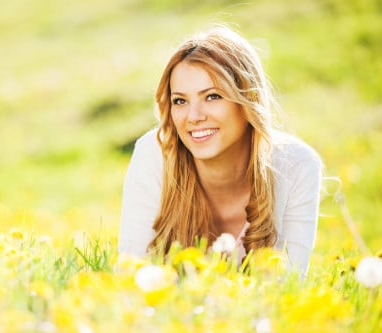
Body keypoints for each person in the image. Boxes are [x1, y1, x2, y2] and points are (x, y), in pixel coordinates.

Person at [118, 25, 323, 275]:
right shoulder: (154, 155)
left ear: (247, 100)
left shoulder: (296, 166)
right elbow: (132, 277)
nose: (193, 117)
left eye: (212, 96)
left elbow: (288, 287)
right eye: (180, 101)